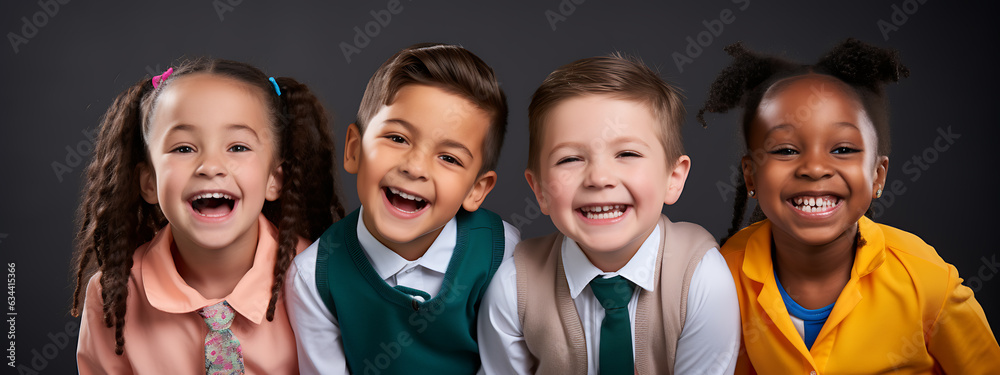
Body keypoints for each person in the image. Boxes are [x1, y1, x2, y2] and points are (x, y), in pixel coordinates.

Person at [698, 38, 1000, 374]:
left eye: (842, 149)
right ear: (750, 176)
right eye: (785, 150)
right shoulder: (723, 278)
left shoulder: (925, 279)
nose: (814, 168)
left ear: (877, 176)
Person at [72, 58, 345, 374]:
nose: (211, 166)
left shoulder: (322, 279)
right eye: (184, 148)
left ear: (275, 179)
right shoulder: (114, 294)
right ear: (149, 182)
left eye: (238, 147)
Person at [478, 54, 740, 375]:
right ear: (540, 192)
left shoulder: (701, 277)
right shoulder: (513, 286)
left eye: (627, 153)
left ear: (673, 179)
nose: (599, 178)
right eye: (570, 159)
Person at [285, 43, 520, 375]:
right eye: (397, 138)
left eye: (449, 158)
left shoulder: (502, 252)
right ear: (354, 150)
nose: (415, 167)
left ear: (475, 190)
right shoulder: (314, 276)